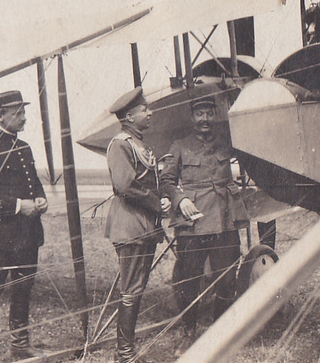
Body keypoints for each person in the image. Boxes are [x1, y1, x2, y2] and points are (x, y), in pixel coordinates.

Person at [159, 91, 248, 350]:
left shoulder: (226, 142)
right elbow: (165, 181)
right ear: (192, 117)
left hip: (224, 219)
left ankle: (220, 332)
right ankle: (190, 330)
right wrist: (180, 200)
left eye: (209, 113)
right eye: (200, 114)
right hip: (193, 222)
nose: (205, 119)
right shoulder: (179, 145)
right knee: (189, 278)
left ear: (216, 115)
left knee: (227, 277)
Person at [0, 90, 48, 363]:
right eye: (18, 113)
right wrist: (17, 206)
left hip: (28, 235)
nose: (23, 118)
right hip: (0, 238)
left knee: (23, 289)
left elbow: (33, 181)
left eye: (24, 112)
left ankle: (20, 346)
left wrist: (40, 197)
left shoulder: (24, 147)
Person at [105, 86, 171, 363]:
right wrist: (158, 204)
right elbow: (125, 187)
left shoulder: (138, 143)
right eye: (145, 109)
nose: (150, 112)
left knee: (136, 287)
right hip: (131, 225)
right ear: (130, 116)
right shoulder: (120, 144)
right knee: (131, 289)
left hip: (143, 225)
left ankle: (126, 351)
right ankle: (125, 354)